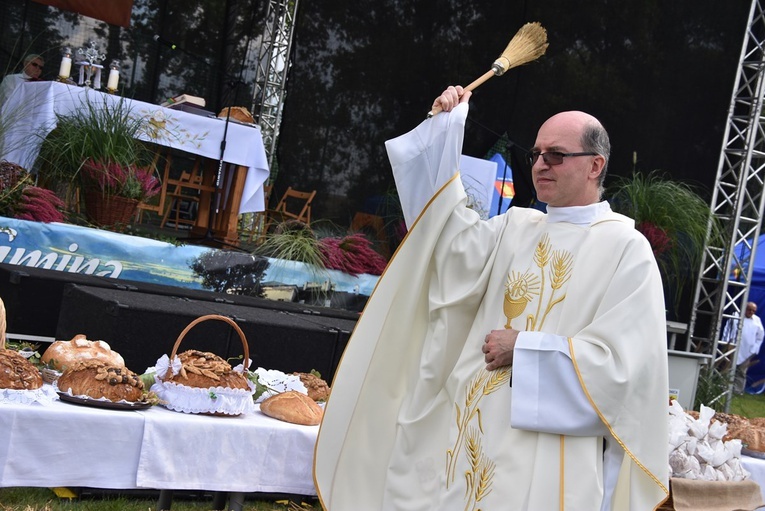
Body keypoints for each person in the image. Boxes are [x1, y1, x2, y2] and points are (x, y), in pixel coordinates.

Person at [314, 85, 669, 510]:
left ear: (595, 165)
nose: (540, 164)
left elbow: (626, 371)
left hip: (542, 451)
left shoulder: (626, 250)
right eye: (535, 154)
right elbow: (443, 239)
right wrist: (443, 132)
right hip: (465, 429)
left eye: (556, 155)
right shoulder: (515, 227)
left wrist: (526, 349)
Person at [723, 301, 765, 394]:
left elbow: (760, 336)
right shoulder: (736, 316)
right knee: (728, 369)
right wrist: (726, 343)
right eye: (749, 310)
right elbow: (727, 330)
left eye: (753, 311)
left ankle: (738, 391)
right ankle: (724, 388)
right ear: (744, 309)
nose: (751, 312)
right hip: (732, 348)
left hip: (747, 351)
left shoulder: (757, 320)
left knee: (742, 372)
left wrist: (754, 349)